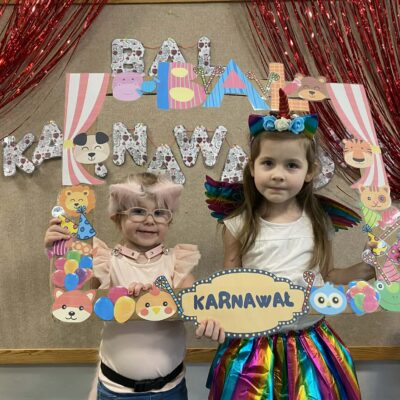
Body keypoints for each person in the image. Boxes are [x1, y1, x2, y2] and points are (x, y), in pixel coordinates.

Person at [203, 96, 374, 400]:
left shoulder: (318, 222)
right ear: (252, 168)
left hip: (310, 344)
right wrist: (214, 315)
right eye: (268, 163)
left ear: (310, 171)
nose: (278, 174)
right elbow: (228, 285)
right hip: (253, 347)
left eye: (291, 165)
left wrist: (370, 267)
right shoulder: (238, 224)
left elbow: (329, 275)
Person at [44, 172, 223, 400]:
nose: (150, 220)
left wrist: (211, 320)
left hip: (170, 390)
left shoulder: (176, 264)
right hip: (115, 390)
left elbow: (202, 306)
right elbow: (69, 301)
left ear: (169, 220)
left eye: (160, 213)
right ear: (116, 217)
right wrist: (57, 253)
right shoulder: (105, 262)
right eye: (138, 211)